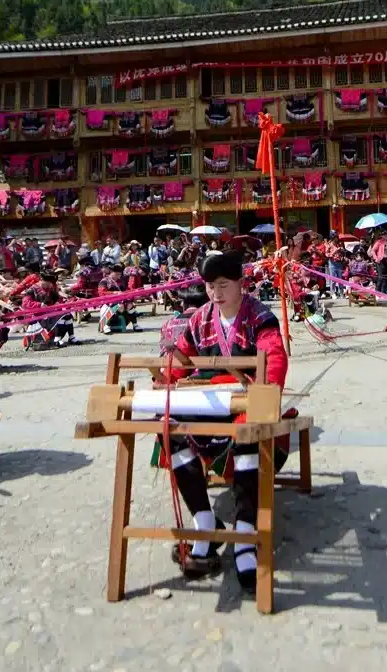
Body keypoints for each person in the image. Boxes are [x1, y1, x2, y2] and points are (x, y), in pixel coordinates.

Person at [160, 251, 288, 594]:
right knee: (170, 426)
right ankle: (205, 520)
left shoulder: (259, 316)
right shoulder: (200, 318)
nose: (215, 293)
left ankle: (245, 534)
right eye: (209, 286)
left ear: (241, 284)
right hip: (209, 398)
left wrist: (266, 392)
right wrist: (167, 376)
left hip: (245, 397)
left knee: (248, 433)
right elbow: (182, 359)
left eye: (223, 285)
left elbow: (273, 357)